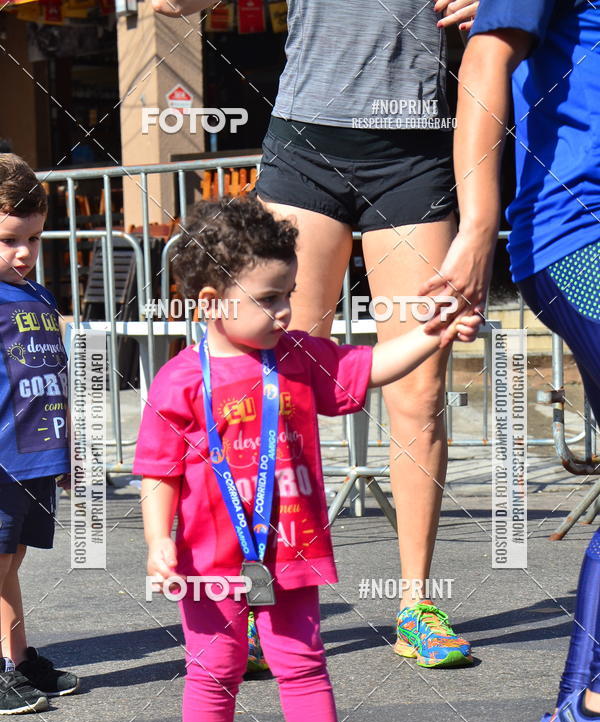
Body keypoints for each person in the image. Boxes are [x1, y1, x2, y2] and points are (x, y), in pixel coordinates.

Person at [152, 0, 481, 668]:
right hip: (308, 142)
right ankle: (254, 595)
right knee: (268, 384)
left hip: (416, 149)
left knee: (420, 390)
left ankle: (415, 603)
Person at [133, 197, 480, 722]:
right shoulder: (179, 380)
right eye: (269, 298)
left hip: (291, 546)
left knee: (302, 658)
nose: (287, 309)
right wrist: (159, 541)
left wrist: (431, 334)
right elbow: (157, 469)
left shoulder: (298, 355)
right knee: (215, 663)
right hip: (210, 558)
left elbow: (370, 366)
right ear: (210, 301)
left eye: (288, 292)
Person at [422, 0, 600, 722]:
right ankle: (586, 712)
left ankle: (577, 718)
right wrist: (475, 228)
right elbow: (487, 59)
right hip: (579, 234)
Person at [0, 153, 80, 715]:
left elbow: (56, 375)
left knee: (13, 558)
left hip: (36, 456)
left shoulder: (43, 297)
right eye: (8, 240)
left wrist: (69, 445)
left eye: (33, 238)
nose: (24, 253)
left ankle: (19, 657)